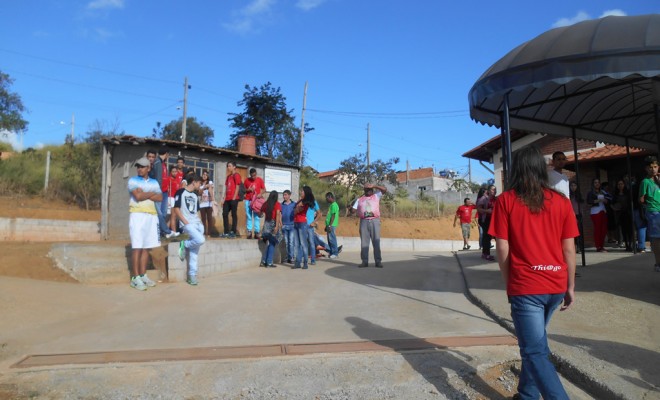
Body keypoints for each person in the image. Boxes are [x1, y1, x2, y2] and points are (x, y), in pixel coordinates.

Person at [489, 145, 578, 400]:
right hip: (556, 285)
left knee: (534, 351)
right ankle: (527, 394)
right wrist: (570, 286)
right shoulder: (560, 202)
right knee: (536, 345)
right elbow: (569, 250)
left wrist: (509, 283)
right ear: (542, 169)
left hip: (527, 288)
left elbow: (502, 248)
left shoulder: (505, 201)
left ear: (516, 170)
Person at [127, 156, 162, 291]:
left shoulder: (154, 182)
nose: (139, 169)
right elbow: (138, 197)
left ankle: (143, 275)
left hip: (151, 216)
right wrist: (151, 193)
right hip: (137, 215)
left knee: (147, 247)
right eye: (138, 166)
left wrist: (145, 193)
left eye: (142, 167)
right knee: (137, 247)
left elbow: (160, 197)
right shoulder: (132, 181)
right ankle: (135, 278)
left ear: (149, 168)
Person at [173, 173, 205, 286]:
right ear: (194, 182)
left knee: (194, 251)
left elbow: (197, 211)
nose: (200, 186)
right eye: (199, 183)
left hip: (196, 224)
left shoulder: (195, 196)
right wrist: (185, 222)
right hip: (186, 225)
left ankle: (192, 275)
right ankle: (185, 243)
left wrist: (200, 223)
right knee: (201, 240)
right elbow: (176, 209)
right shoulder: (180, 192)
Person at [352, 183, 387, 268]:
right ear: (364, 190)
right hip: (364, 221)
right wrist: (351, 208)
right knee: (364, 242)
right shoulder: (359, 199)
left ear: (372, 190)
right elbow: (353, 210)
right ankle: (364, 261)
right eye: (367, 189)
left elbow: (384, 190)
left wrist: (374, 186)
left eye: (370, 189)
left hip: (375, 220)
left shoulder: (376, 196)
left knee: (376, 242)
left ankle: (378, 261)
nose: (369, 191)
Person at [638, 156, 660, 272]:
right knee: (656, 238)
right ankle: (658, 263)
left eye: (655, 167)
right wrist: (648, 207)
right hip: (653, 211)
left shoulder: (658, 180)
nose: (653, 169)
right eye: (650, 167)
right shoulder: (645, 182)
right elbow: (641, 199)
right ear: (646, 169)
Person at [151, 148, 177, 239]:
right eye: (168, 154)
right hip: (160, 191)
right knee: (160, 214)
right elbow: (158, 179)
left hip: (165, 191)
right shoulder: (158, 163)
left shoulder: (163, 163)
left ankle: (162, 232)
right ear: (166, 153)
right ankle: (165, 231)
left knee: (164, 213)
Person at [293, 186, 315, 269]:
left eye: (302, 191)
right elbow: (295, 210)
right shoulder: (300, 201)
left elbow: (296, 211)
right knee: (297, 244)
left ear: (306, 192)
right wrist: (296, 208)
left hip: (302, 223)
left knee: (303, 244)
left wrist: (296, 208)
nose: (300, 192)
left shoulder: (305, 202)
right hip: (296, 223)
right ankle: (298, 262)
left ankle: (305, 262)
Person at [259, 190, 282, 268]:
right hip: (273, 224)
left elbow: (260, 212)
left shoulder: (266, 204)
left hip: (266, 225)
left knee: (269, 243)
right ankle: (268, 262)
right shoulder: (277, 204)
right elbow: (278, 214)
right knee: (273, 243)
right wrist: (277, 226)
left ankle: (264, 261)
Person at [586, 178, 609, 252]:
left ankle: (602, 246)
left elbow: (608, 199)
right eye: (595, 182)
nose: (597, 184)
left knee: (604, 230)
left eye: (598, 182)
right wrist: (598, 200)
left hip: (603, 210)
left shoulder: (602, 192)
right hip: (595, 212)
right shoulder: (591, 192)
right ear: (593, 184)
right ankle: (598, 246)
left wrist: (605, 200)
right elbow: (589, 201)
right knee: (598, 229)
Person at [244, 168, 266, 239]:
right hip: (248, 200)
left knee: (257, 216)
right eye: (252, 176)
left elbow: (264, 189)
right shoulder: (247, 180)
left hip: (256, 201)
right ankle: (249, 231)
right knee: (249, 216)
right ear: (250, 175)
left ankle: (257, 232)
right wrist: (248, 189)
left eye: (255, 175)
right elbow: (243, 190)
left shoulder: (259, 180)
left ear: (256, 174)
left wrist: (260, 193)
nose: (253, 177)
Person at [477, 185, 497, 261]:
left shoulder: (496, 199)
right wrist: (487, 211)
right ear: (488, 190)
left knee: (493, 236)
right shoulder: (484, 199)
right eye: (492, 190)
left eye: (495, 190)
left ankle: (485, 253)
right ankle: (486, 254)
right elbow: (478, 208)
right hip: (486, 220)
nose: (494, 191)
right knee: (487, 236)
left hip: (494, 220)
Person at [612, 179, 633, 252]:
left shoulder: (628, 193)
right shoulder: (615, 194)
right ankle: (626, 245)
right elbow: (612, 204)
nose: (620, 185)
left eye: (621, 184)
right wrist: (615, 208)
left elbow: (631, 203)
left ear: (624, 185)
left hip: (628, 213)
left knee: (629, 230)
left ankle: (630, 245)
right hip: (620, 214)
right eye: (619, 184)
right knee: (623, 230)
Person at [222, 161, 241, 238]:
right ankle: (226, 231)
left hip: (234, 198)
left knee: (233, 215)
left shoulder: (236, 175)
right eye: (227, 166)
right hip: (227, 199)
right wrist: (223, 198)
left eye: (230, 166)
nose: (228, 167)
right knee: (224, 214)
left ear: (234, 167)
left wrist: (234, 198)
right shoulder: (228, 177)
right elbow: (226, 188)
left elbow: (237, 187)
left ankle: (233, 231)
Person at [631, 175, 648, 252]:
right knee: (642, 227)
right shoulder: (642, 186)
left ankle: (637, 246)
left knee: (637, 228)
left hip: (634, 209)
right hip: (641, 208)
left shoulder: (632, 187)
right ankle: (641, 246)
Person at [198, 169, 216, 237]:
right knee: (203, 219)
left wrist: (212, 199)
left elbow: (210, 189)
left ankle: (209, 233)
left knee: (209, 218)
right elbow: (199, 193)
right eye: (203, 174)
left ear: (208, 176)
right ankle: (204, 232)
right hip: (202, 203)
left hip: (209, 203)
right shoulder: (200, 183)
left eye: (206, 175)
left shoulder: (210, 182)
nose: (204, 176)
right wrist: (204, 186)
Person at [281, 190, 296, 263]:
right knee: (286, 243)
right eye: (283, 195)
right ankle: (287, 257)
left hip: (292, 226)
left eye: (286, 195)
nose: (284, 196)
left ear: (289, 195)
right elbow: (279, 215)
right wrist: (281, 224)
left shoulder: (294, 204)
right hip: (284, 226)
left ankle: (292, 257)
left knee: (291, 242)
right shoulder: (282, 205)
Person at [569, 181, 584, 253]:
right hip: (571, 215)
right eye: (572, 185)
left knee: (579, 232)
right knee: (573, 232)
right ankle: (574, 247)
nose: (573, 187)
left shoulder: (579, 195)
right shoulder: (568, 195)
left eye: (575, 185)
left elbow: (581, 206)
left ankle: (579, 247)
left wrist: (581, 213)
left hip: (579, 215)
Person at [306, 195, 321, 265]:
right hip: (302, 225)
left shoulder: (314, 202)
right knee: (302, 243)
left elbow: (319, 214)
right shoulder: (302, 202)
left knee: (312, 243)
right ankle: (304, 259)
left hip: (310, 226)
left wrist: (314, 222)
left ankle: (313, 260)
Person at [167, 165, 183, 233]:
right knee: (171, 216)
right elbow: (167, 189)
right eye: (173, 171)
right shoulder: (169, 179)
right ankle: (173, 231)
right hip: (170, 198)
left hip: (175, 198)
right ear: (170, 172)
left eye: (175, 171)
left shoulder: (177, 180)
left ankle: (168, 231)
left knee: (173, 216)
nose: (174, 173)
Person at [325, 192, 340, 258]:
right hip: (329, 225)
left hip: (332, 225)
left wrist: (330, 225)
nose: (326, 199)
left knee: (332, 239)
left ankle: (335, 253)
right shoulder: (331, 205)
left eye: (327, 198)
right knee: (329, 239)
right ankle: (331, 252)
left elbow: (333, 215)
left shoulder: (334, 205)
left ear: (330, 197)